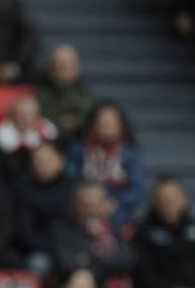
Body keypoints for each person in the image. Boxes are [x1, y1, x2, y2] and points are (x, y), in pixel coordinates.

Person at [49, 183, 135, 288]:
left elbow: (128, 260)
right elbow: (67, 265)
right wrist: (109, 262)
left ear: (104, 203)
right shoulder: (62, 230)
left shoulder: (115, 227)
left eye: (95, 203)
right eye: (86, 204)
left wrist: (91, 257)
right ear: (76, 204)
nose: (91, 208)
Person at [68, 102, 146, 230]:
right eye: (101, 122)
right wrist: (88, 200)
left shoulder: (129, 153)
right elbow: (70, 182)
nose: (105, 126)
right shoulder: (78, 149)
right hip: (82, 208)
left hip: (116, 212)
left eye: (110, 123)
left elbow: (138, 191)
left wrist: (113, 202)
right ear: (92, 125)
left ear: (121, 126)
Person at [9, 142, 75, 274]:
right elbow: (25, 231)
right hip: (40, 249)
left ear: (61, 161)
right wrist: (54, 248)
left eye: (48, 160)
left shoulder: (74, 188)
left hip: (72, 245)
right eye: (38, 161)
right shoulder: (23, 189)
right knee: (39, 264)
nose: (43, 165)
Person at [35, 45, 97, 147]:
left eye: (67, 65)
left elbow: (88, 122)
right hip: (46, 147)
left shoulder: (86, 96)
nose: (61, 70)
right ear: (49, 68)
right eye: (57, 65)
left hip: (79, 147)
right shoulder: (37, 94)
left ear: (77, 68)